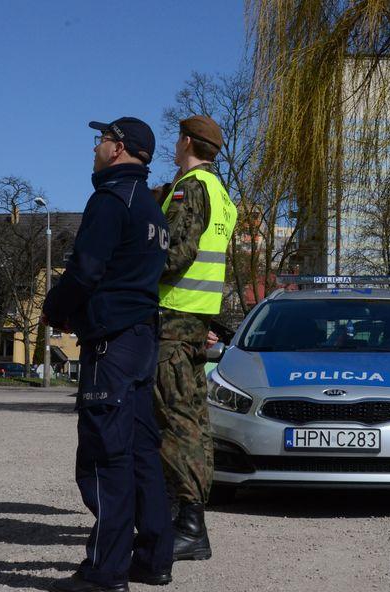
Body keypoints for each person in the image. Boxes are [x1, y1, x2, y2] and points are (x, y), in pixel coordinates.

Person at [43, 116, 173, 592]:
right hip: (141, 340)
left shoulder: (111, 200)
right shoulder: (153, 212)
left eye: (101, 140)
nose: (96, 147)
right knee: (141, 452)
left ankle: (106, 572)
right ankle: (153, 558)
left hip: (112, 344)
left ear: (118, 149)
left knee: (105, 455)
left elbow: (85, 272)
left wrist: (54, 310)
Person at [152, 115, 237, 562]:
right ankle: (185, 518)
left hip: (171, 320)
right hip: (195, 323)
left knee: (175, 421)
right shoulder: (223, 196)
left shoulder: (192, 188)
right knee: (194, 420)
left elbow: (175, 255)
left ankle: (188, 525)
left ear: (186, 141)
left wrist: (128, 269)